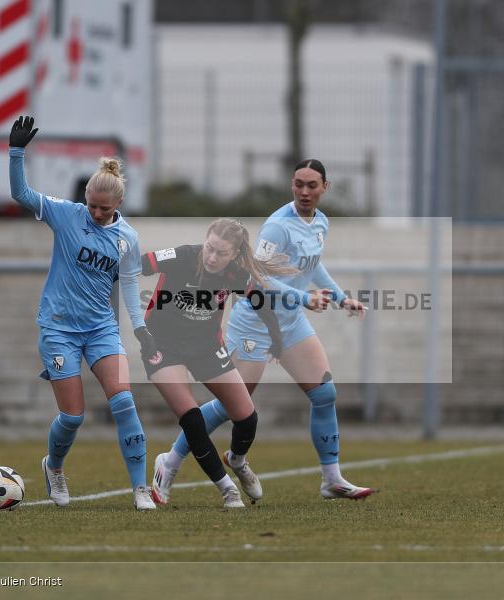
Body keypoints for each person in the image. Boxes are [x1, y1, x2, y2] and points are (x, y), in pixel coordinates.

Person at [152, 159, 376, 502]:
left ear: (325, 187)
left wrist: (341, 298)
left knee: (324, 394)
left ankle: (331, 480)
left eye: (312, 185)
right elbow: (259, 278)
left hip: (290, 322)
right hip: (254, 324)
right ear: (291, 184)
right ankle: (169, 461)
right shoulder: (277, 226)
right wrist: (304, 298)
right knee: (230, 406)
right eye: (298, 184)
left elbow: (313, 266)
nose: (304, 191)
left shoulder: (321, 222)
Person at [8, 116, 156, 511]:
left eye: (104, 208)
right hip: (59, 328)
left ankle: (141, 489)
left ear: (118, 205)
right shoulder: (67, 214)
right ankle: (54, 467)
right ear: (85, 197)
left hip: (100, 329)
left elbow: (128, 285)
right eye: (91, 205)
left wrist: (140, 329)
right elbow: (21, 194)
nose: (96, 213)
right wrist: (17, 152)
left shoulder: (127, 238)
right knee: (73, 417)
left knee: (124, 403)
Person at [139, 218, 301, 508]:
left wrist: (276, 339)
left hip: (206, 348)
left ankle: (237, 461)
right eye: (210, 248)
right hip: (162, 346)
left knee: (247, 416)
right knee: (192, 419)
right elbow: (137, 265)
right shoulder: (183, 256)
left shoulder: (236, 273)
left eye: (221, 253)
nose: (212, 257)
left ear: (234, 255)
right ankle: (226, 489)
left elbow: (261, 301)